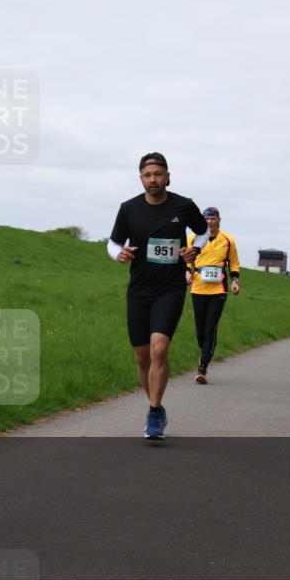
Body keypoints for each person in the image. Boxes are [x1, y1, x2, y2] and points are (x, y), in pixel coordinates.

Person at [108, 152, 209, 440]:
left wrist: (195, 249)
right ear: (141, 178)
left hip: (170, 288)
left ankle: (153, 413)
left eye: (158, 174)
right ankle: (157, 405)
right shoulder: (129, 209)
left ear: (168, 176)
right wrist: (120, 253)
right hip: (139, 290)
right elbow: (114, 242)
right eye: (148, 175)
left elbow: (202, 233)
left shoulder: (184, 205)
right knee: (142, 357)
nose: (153, 180)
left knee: (159, 348)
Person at [185, 206, 240, 384]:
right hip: (198, 287)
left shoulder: (228, 240)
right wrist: (187, 272)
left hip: (218, 289)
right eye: (206, 219)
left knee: (210, 328)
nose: (210, 222)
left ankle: (203, 368)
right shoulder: (193, 238)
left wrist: (235, 281)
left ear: (219, 220)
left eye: (213, 219)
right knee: (200, 331)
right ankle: (205, 351)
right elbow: (187, 260)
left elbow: (234, 264)